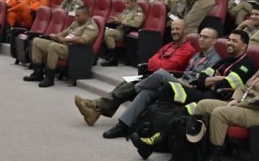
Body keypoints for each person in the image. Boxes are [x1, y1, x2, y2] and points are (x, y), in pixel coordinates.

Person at [131, 39, 259, 161]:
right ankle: (168, 142)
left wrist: (239, 104)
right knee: (202, 105)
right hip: (241, 105)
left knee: (220, 113)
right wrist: (233, 100)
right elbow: (243, 87)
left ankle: (214, 157)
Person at [74, 24, 218, 137]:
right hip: (180, 81)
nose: (201, 39)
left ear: (214, 41)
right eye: (200, 36)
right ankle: (123, 125)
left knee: (159, 74)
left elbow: (199, 80)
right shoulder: (197, 55)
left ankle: (127, 92)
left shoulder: (214, 59)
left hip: (192, 89)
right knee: (146, 92)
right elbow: (152, 60)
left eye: (206, 37)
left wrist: (162, 67)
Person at [23, 6, 99, 87]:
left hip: (75, 51)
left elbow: (83, 40)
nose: (76, 18)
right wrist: (56, 36)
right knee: (36, 41)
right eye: (75, 16)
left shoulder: (91, 27)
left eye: (78, 16)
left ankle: (49, 78)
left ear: (87, 15)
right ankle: (37, 73)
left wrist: (63, 40)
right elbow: (65, 32)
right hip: (64, 46)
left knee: (53, 46)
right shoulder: (76, 23)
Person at [101, 0, 145, 66]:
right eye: (125, 3)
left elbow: (136, 24)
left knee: (107, 33)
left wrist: (121, 21)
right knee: (103, 31)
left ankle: (114, 58)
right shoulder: (126, 10)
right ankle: (109, 55)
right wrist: (116, 20)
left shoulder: (138, 12)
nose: (126, 5)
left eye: (128, 3)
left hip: (126, 32)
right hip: (119, 29)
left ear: (134, 1)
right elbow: (120, 18)